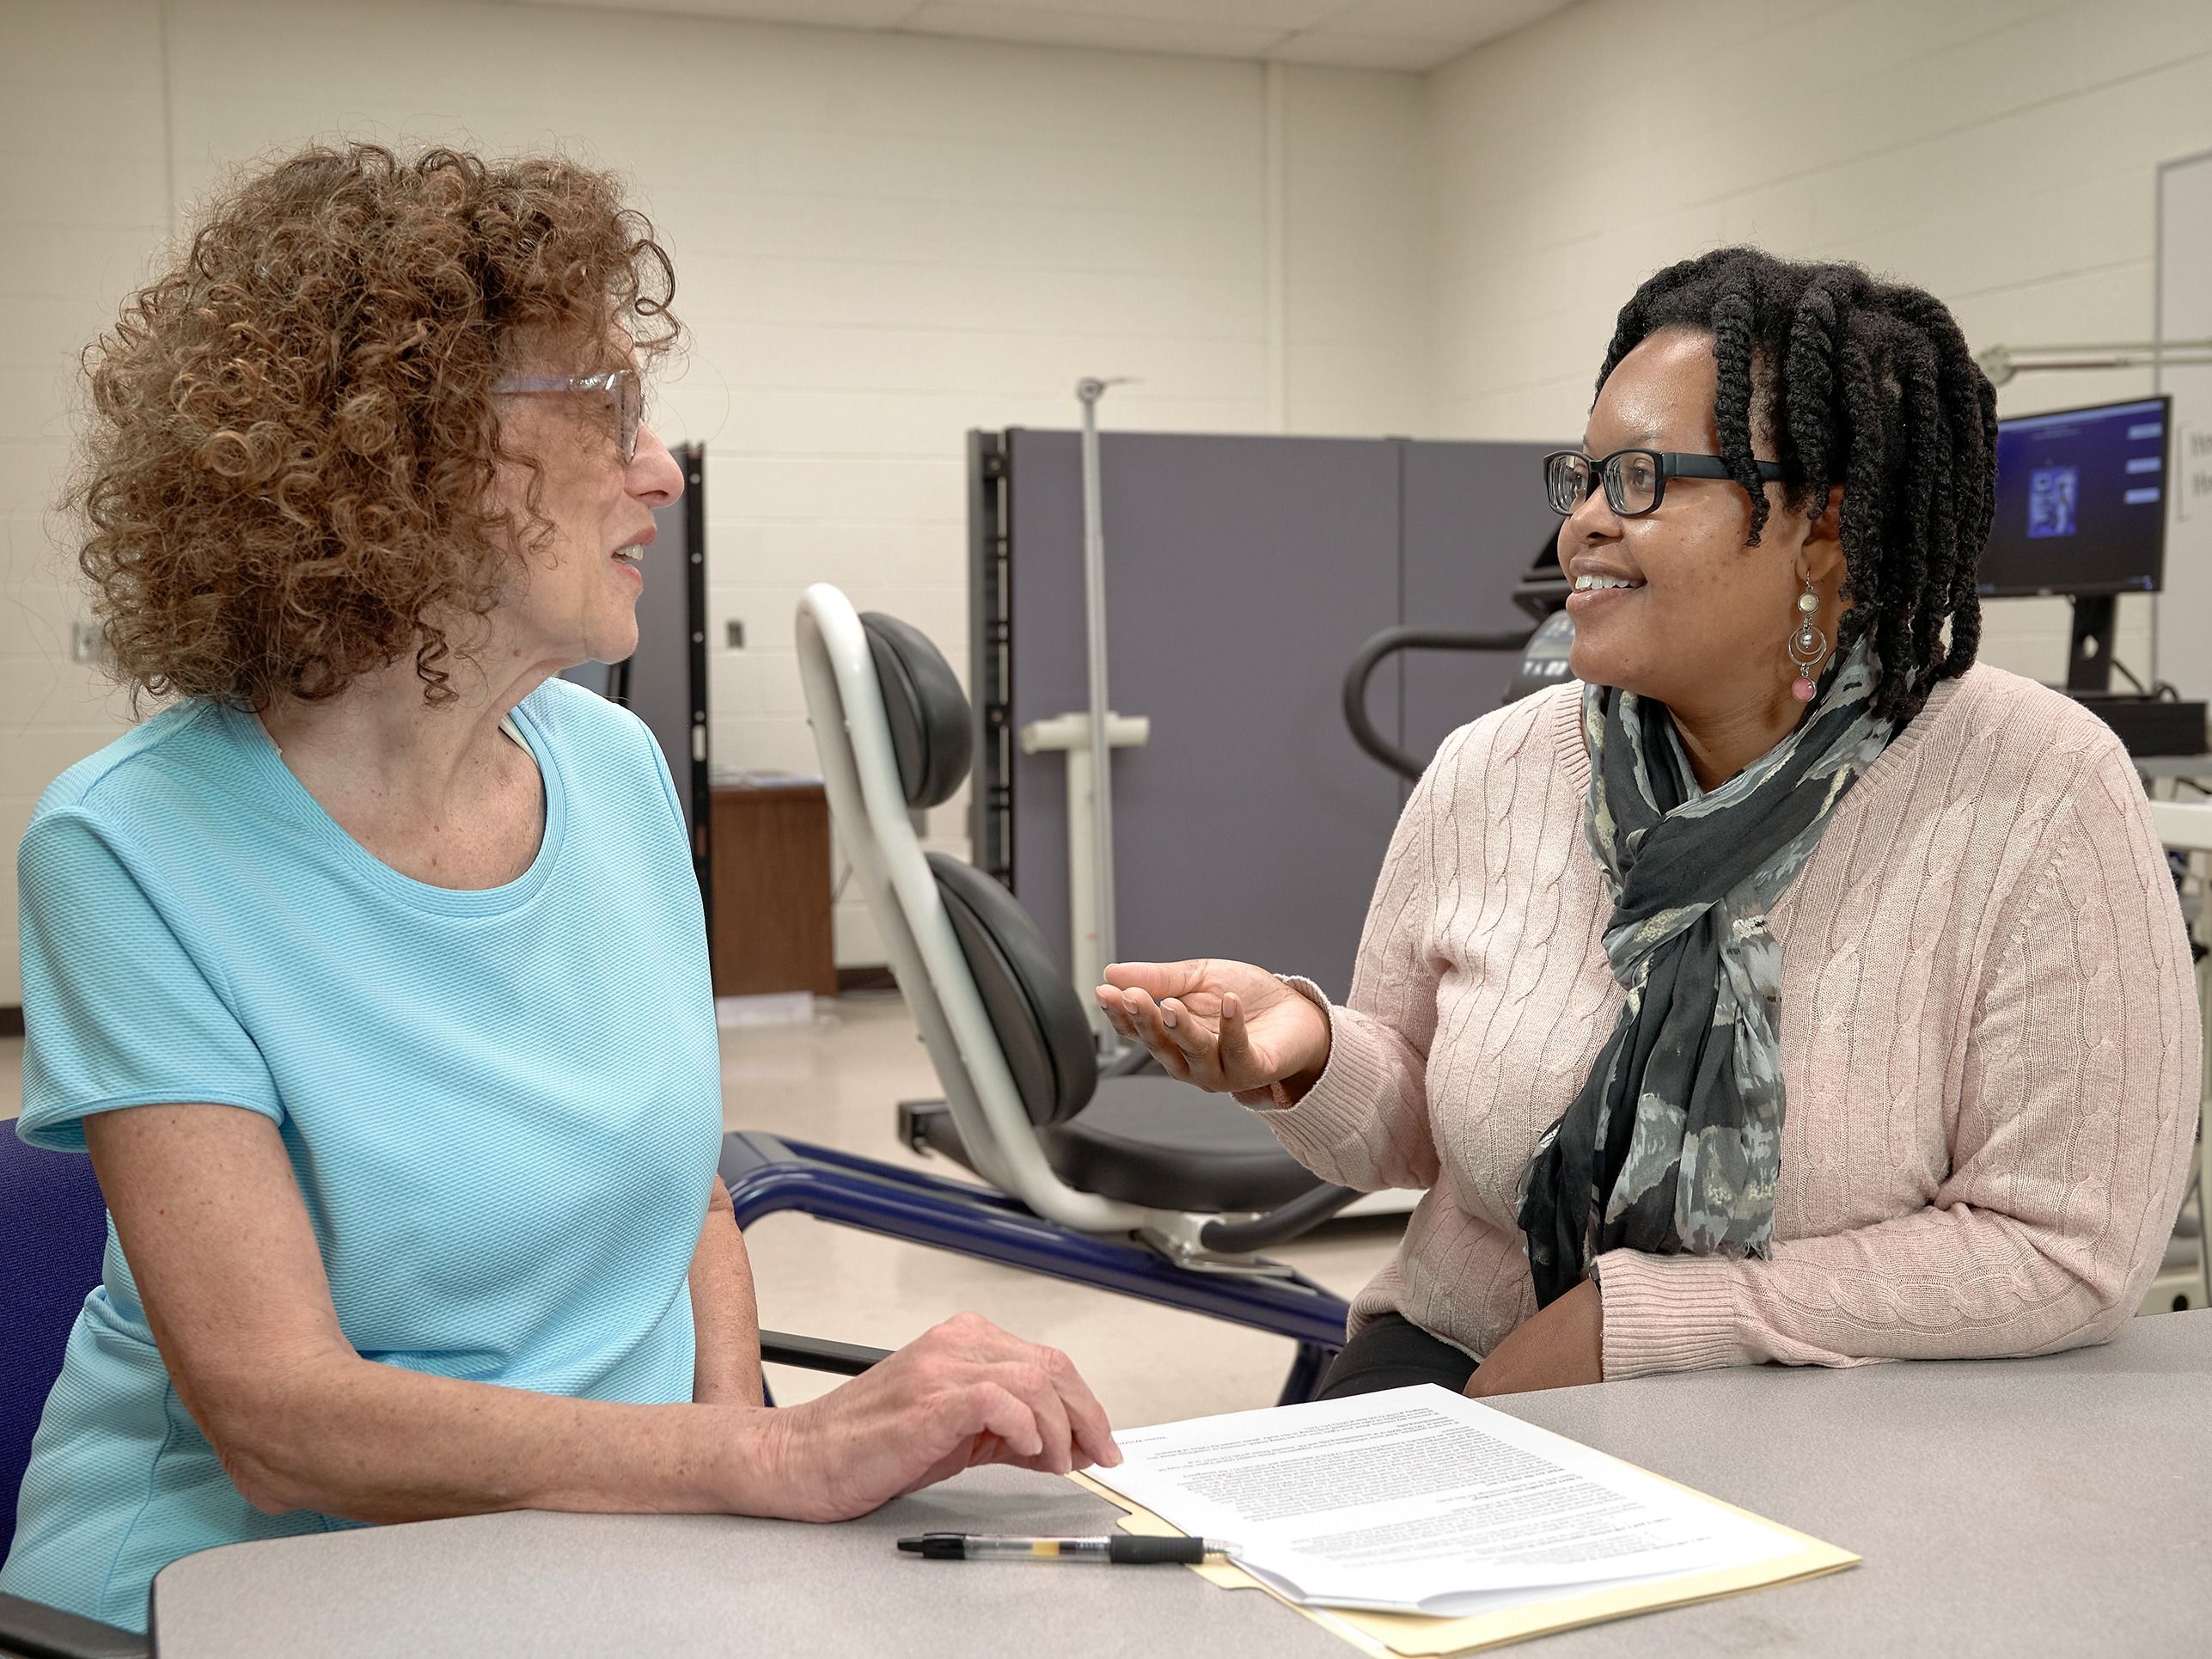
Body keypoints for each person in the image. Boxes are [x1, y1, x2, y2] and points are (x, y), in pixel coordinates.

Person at [2, 144, 1115, 1633]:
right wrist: (757, 1456)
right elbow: (277, 1420)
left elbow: (684, 1199)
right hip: (239, 1594)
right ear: (402, 455)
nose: (659, 468)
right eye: (607, 408)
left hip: (609, 1551)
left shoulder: (614, 768)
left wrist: (746, 1505)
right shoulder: (130, 848)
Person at [1099, 248, 2198, 1403]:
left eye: (1638, 480)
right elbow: (1414, 1131)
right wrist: (1310, 1048)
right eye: (1579, 477)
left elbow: (2065, 1252)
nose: (1579, 526)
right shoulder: (1491, 771)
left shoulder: (2039, 788)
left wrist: (1652, 1320)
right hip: (1463, 1354)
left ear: (1821, 527)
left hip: (1844, 1402)